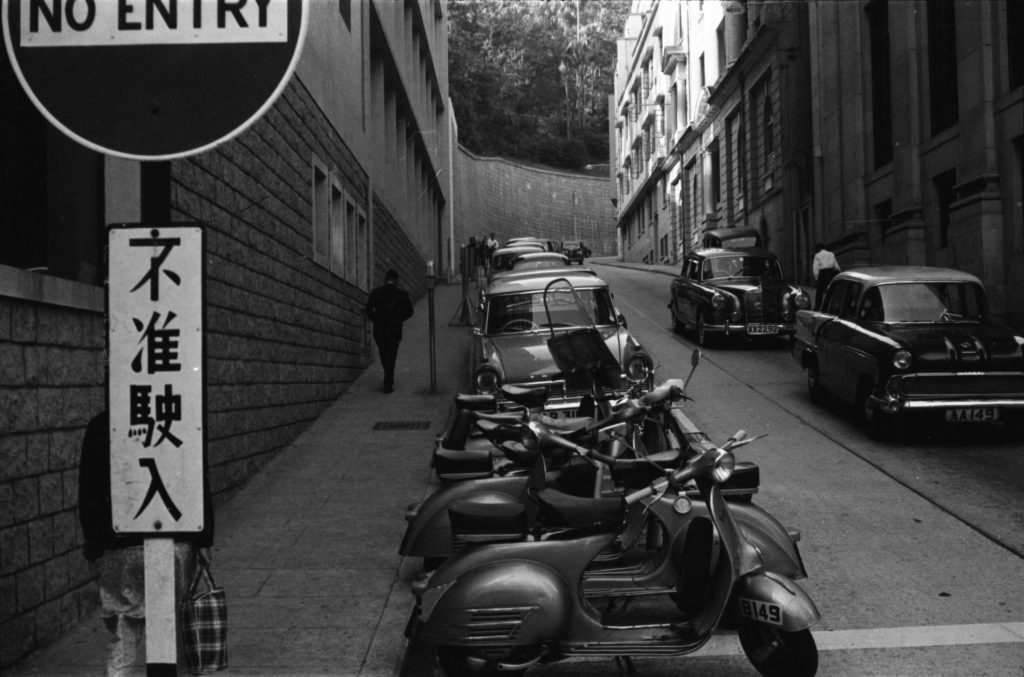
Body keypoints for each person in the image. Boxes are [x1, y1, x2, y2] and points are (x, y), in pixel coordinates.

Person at [79, 410, 214, 676]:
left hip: (120, 545)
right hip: (176, 539)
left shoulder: (104, 423)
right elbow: (195, 475)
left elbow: (89, 486)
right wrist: (204, 537)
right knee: (175, 628)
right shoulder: (179, 415)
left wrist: (93, 539)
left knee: (124, 630)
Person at [364, 269, 414, 393]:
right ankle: (388, 382)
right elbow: (410, 311)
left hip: (380, 330)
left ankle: (388, 380)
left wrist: (376, 320)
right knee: (392, 355)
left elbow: (368, 309)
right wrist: (399, 319)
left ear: (386, 279)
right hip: (394, 330)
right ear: (396, 280)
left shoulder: (376, 293)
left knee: (383, 354)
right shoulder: (402, 294)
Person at [812, 243, 841, 310]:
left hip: (823, 273)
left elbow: (815, 268)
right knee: (831, 290)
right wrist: (838, 272)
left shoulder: (817, 255)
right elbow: (836, 265)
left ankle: (817, 307)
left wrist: (816, 278)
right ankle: (827, 307)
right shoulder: (831, 254)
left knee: (820, 291)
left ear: (818, 249)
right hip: (831, 272)